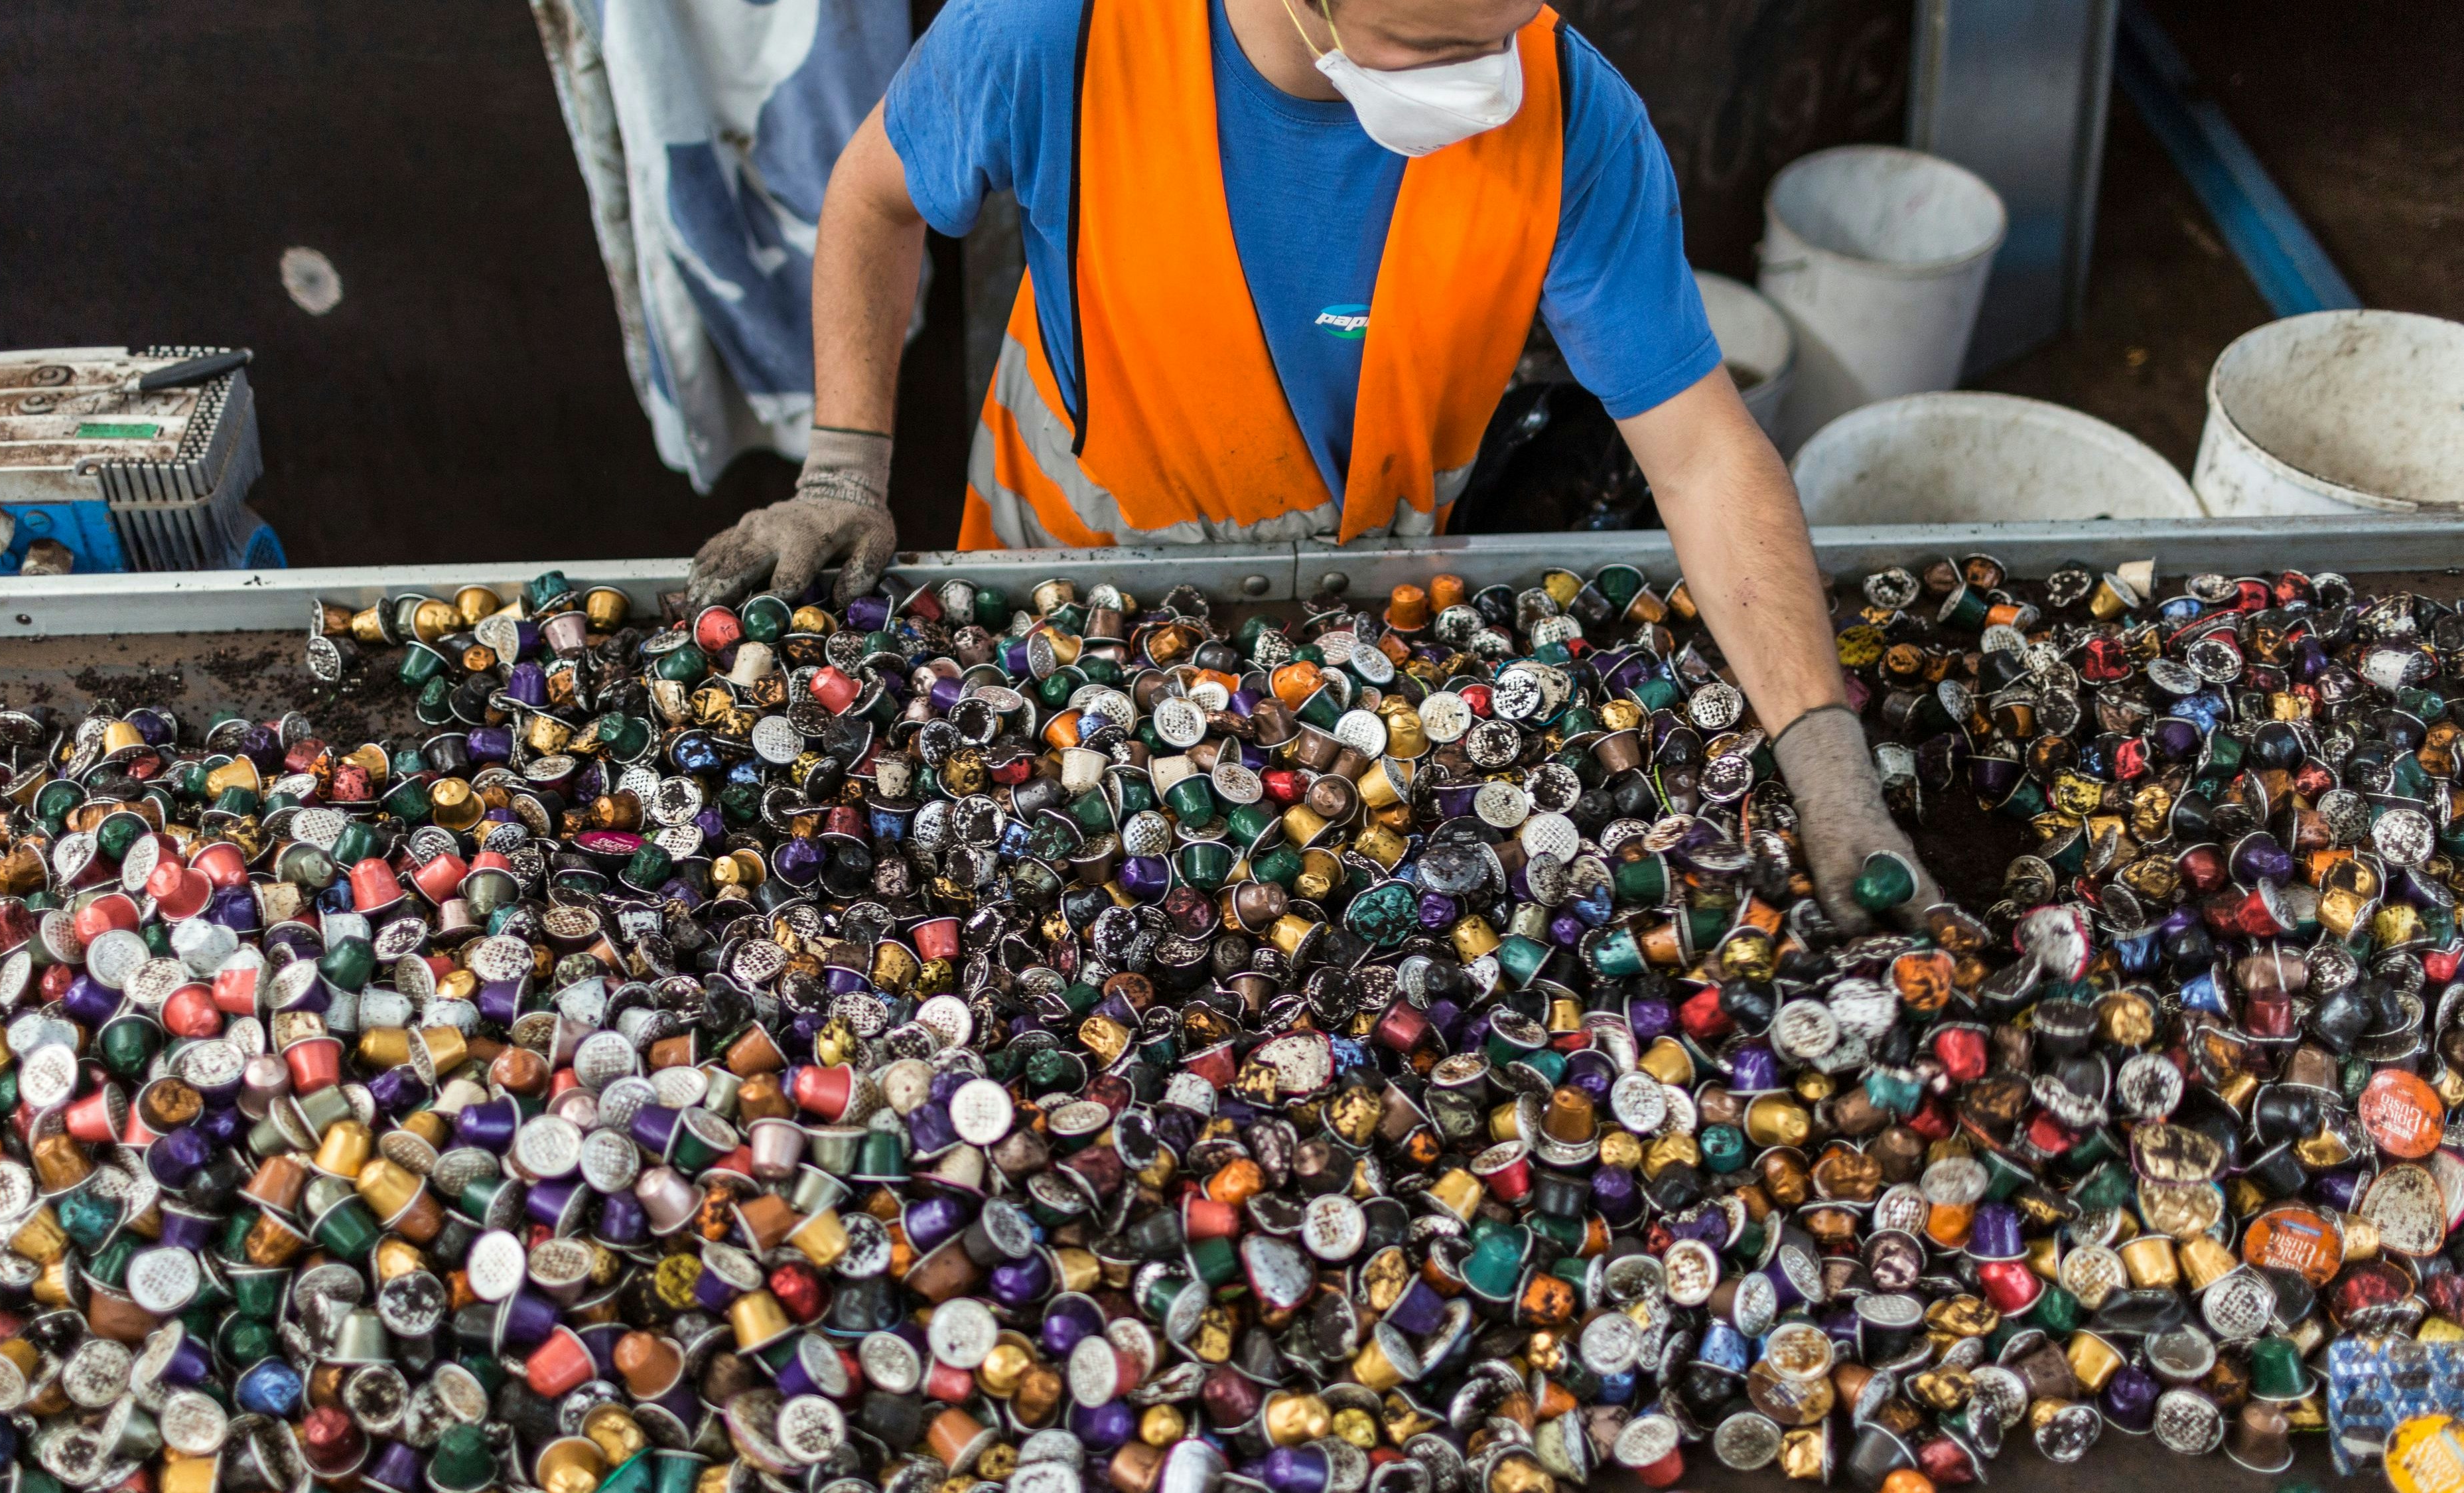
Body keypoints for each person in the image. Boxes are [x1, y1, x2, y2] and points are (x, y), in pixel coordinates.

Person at [682, 0, 1933, 930]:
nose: (1482, 84)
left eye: (1498, 36)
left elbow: (1707, 452)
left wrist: (1832, 774)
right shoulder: (1060, 29)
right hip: (1066, 591)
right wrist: (843, 472)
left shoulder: (1567, 113)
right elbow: (873, 197)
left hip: (1360, 617)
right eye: (1433, 51)